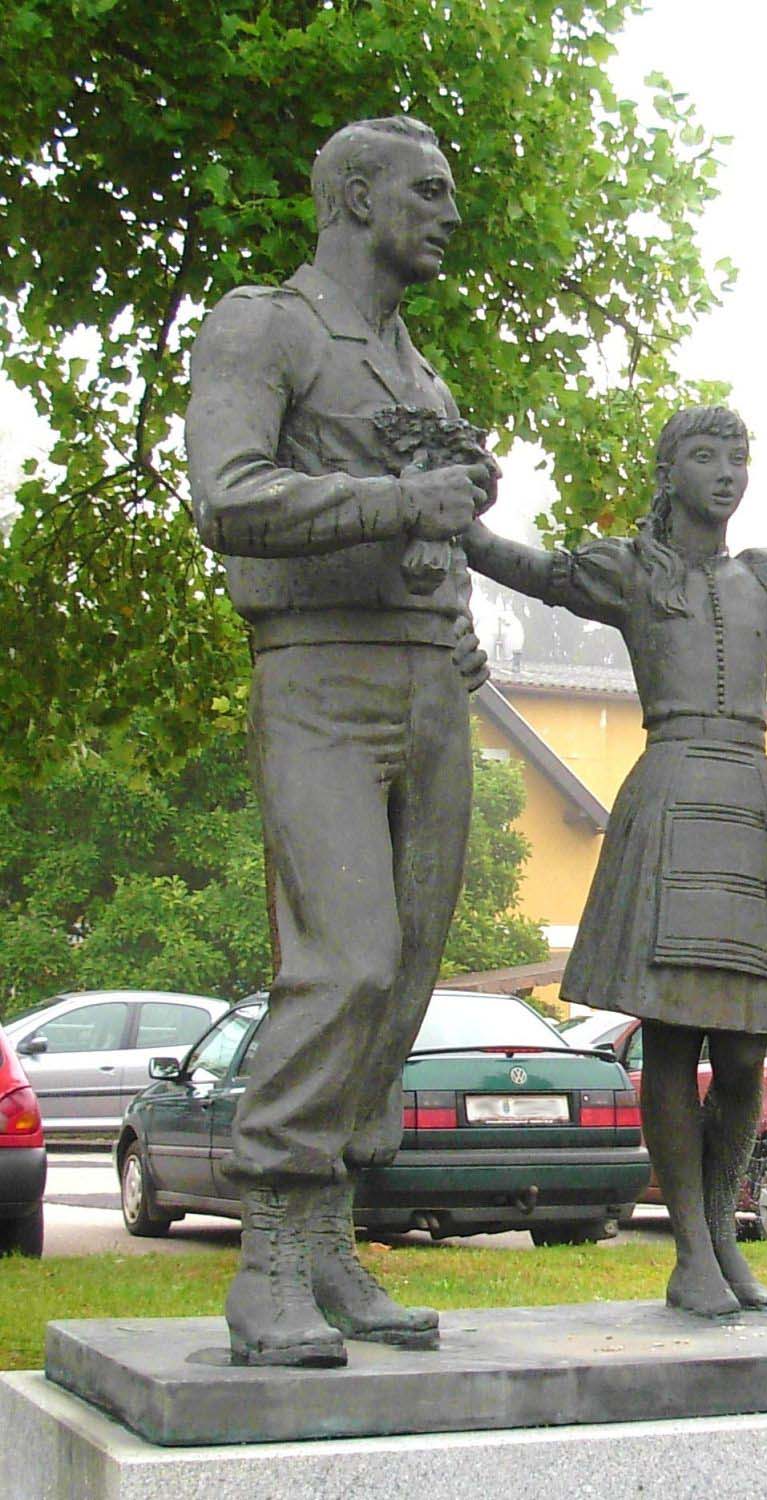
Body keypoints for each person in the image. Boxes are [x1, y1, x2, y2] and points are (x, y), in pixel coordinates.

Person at [186, 116, 494, 1366]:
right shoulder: (266, 323)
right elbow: (230, 496)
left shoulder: (422, 368)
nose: (449, 212)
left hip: (432, 686)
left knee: (409, 972)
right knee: (347, 958)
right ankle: (266, 1249)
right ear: (356, 196)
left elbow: (441, 529)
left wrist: (456, 604)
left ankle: (328, 1242)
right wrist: (399, 499)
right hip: (319, 676)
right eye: (429, 190)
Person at [464, 407, 767, 1317]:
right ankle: (689, 1249)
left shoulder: (764, 578)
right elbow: (528, 568)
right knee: (676, 1039)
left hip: (747, 799)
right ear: (668, 470)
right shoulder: (632, 572)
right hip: (674, 790)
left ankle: (724, 1232)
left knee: (748, 1053)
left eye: (738, 456)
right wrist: (456, 516)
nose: (727, 472)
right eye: (705, 455)